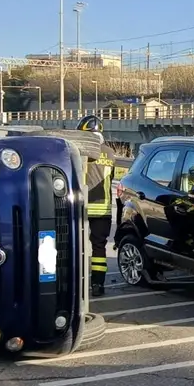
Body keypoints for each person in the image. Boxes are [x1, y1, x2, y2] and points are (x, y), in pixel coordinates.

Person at [77, 115, 117, 298]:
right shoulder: (109, 153)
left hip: (80, 207)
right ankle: (98, 285)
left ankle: (76, 284)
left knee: (75, 246)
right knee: (99, 248)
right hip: (103, 208)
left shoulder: (79, 152)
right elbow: (111, 178)